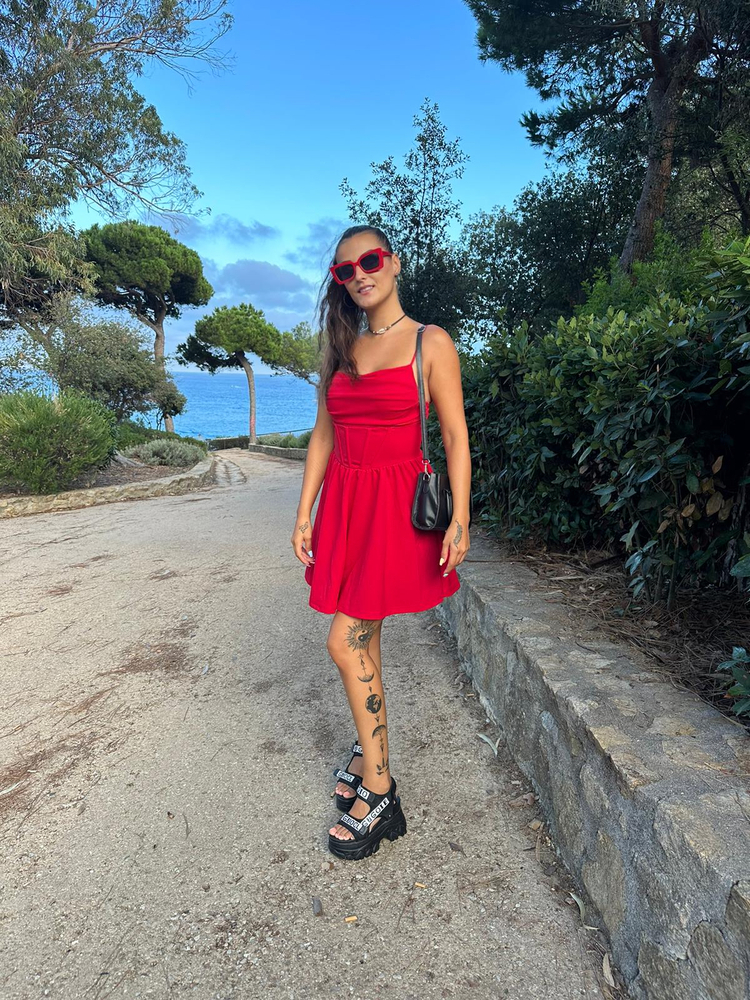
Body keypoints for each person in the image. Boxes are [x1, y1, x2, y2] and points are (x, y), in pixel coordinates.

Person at [291, 224, 472, 861]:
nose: (359, 275)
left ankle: (381, 790)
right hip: (346, 506)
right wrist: (304, 512)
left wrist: (460, 517)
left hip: (393, 512)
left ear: (393, 264)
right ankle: (371, 752)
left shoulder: (430, 342)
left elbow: (454, 435)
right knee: (363, 640)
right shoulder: (341, 345)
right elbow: (324, 435)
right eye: (345, 270)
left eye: (369, 261)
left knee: (344, 641)